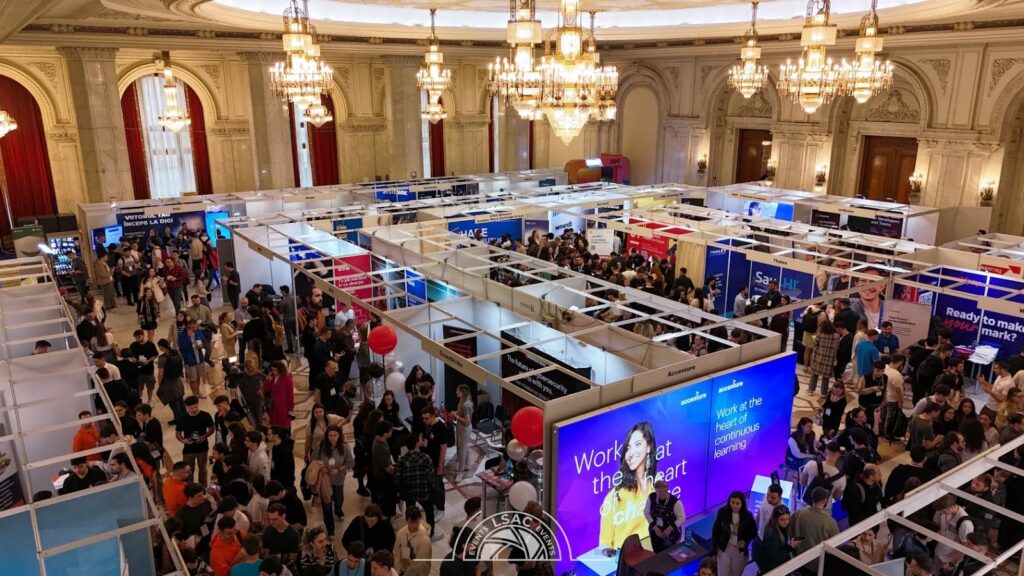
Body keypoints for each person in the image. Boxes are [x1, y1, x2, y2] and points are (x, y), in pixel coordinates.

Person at [599, 421, 657, 547]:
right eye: (628, 448)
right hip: (624, 559)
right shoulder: (615, 496)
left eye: (637, 444)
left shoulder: (655, 490)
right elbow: (604, 546)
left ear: (648, 446)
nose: (631, 453)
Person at [396, 434, 437, 541]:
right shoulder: (425, 458)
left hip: (409, 493)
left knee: (411, 513)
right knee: (429, 512)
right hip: (423, 491)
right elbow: (431, 477)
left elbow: (397, 478)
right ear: (417, 443)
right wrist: (431, 489)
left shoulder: (402, 460)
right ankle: (430, 533)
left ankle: (412, 532)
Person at [314, 424, 353, 534]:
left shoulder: (345, 448)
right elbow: (313, 460)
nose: (333, 438)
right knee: (326, 506)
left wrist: (339, 469)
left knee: (339, 500)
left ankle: (338, 510)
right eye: (330, 435)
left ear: (339, 435)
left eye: (335, 435)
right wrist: (321, 467)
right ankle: (330, 530)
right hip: (324, 480)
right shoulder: (320, 446)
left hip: (338, 479)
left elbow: (351, 462)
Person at [711, 491, 757, 576]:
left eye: (737, 503)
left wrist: (746, 542)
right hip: (725, 548)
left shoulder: (748, 516)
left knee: (736, 573)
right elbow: (715, 532)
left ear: (742, 504)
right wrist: (713, 550)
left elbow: (753, 532)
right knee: (723, 573)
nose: (734, 506)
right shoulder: (722, 512)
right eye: (732, 502)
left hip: (739, 551)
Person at [420, 405, 451, 516]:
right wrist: (421, 441)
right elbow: (423, 434)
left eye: (426, 418)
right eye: (423, 418)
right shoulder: (428, 425)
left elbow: (443, 448)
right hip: (427, 460)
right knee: (430, 484)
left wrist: (440, 466)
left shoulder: (441, 428)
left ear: (433, 416)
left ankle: (441, 508)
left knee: (438, 485)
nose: (424, 420)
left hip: (436, 461)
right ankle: (433, 503)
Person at [176, 395, 214, 484]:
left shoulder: (205, 415)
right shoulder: (182, 418)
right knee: (188, 471)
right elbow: (178, 433)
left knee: (203, 470)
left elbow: (211, 428)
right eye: (191, 408)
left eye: (196, 407)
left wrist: (204, 436)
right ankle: (190, 488)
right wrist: (183, 440)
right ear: (186, 407)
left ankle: (203, 487)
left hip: (202, 448)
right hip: (188, 449)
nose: (194, 409)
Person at [790, 487, 839, 555]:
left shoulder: (798, 513)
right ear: (825, 500)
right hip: (817, 559)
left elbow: (789, 532)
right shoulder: (830, 522)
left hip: (797, 557)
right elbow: (836, 544)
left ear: (812, 498)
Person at [933, 494, 975, 572]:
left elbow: (965, 547)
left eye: (943, 511)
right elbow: (938, 524)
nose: (941, 513)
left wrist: (951, 564)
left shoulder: (965, 524)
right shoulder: (943, 512)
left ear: (952, 506)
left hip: (949, 559)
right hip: (939, 552)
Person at [644, 479, 684, 552]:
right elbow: (646, 513)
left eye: (664, 492)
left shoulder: (675, 502)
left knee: (671, 553)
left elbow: (682, 518)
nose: (662, 495)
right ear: (656, 490)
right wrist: (656, 529)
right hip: (655, 531)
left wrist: (669, 528)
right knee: (657, 552)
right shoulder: (651, 497)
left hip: (671, 533)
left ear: (667, 490)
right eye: (659, 492)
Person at [394, 505, 432, 576]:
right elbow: (397, 552)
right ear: (406, 520)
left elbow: (419, 563)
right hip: (403, 569)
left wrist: (407, 574)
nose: (415, 525)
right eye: (412, 522)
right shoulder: (401, 533)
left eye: (417, 522)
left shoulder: (425, 540)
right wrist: (397, 569)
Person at [757, 505, 796, 574]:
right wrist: (790, 547)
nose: (786, 522)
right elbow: (775, 557)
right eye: (782, 520)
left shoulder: (780, 527)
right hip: (772, 569)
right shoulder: (772, 534)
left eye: (788, 519)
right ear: (775, 519)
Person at [371, 421, 397, 518]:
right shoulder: (381, 447)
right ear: (385, 433)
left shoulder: (378, 438)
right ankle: (389, 516)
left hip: (379, 473)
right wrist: (398, 472)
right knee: (388, 499)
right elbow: (388, 469)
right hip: (383, 477)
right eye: (390, 430)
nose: (392, 431)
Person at [263, 503, 302, 568]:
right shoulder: (267, 531)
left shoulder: (293, 533)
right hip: (272, 566)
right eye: (270, 519)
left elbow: (293, 558)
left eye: (275, 519)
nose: (271, 522)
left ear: (283, 516)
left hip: (288, 567)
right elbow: (266, 554)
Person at [179, 320, 209, 398]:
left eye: (195, 327)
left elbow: (203, 340)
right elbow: (182, 347)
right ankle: (194, 394)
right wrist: (188, 337)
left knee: (198, 376)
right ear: (188, 327)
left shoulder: (198, 332)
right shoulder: (183, 335)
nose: (194, 329)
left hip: (199, 358)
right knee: (193, 379)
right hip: (190, 360)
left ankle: (198, 392)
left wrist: (201, 345)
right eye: (192, 327)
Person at [263, 361, 295, 429]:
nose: (274, 372)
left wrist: (291, 406)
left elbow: (290, 393)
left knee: (282, 423)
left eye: (275, 370)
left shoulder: (286, 378)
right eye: (272, 370)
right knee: (273, 423)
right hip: (273, 404)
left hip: (283, 405)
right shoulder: (272, 377)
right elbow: (266, 390)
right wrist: (268, 380)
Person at [453, 384, 474, 476]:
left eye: (458, 391)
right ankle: (467, 465)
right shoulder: (462, 400)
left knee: (462, 450)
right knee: (465, 446)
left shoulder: (466, 405)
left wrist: (456, 417)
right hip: (461, 427)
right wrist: (456, 413)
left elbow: (467, 421)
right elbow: (462, 413)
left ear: (462, 392)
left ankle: (460, 472)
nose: (456, 392)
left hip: (465, 429)